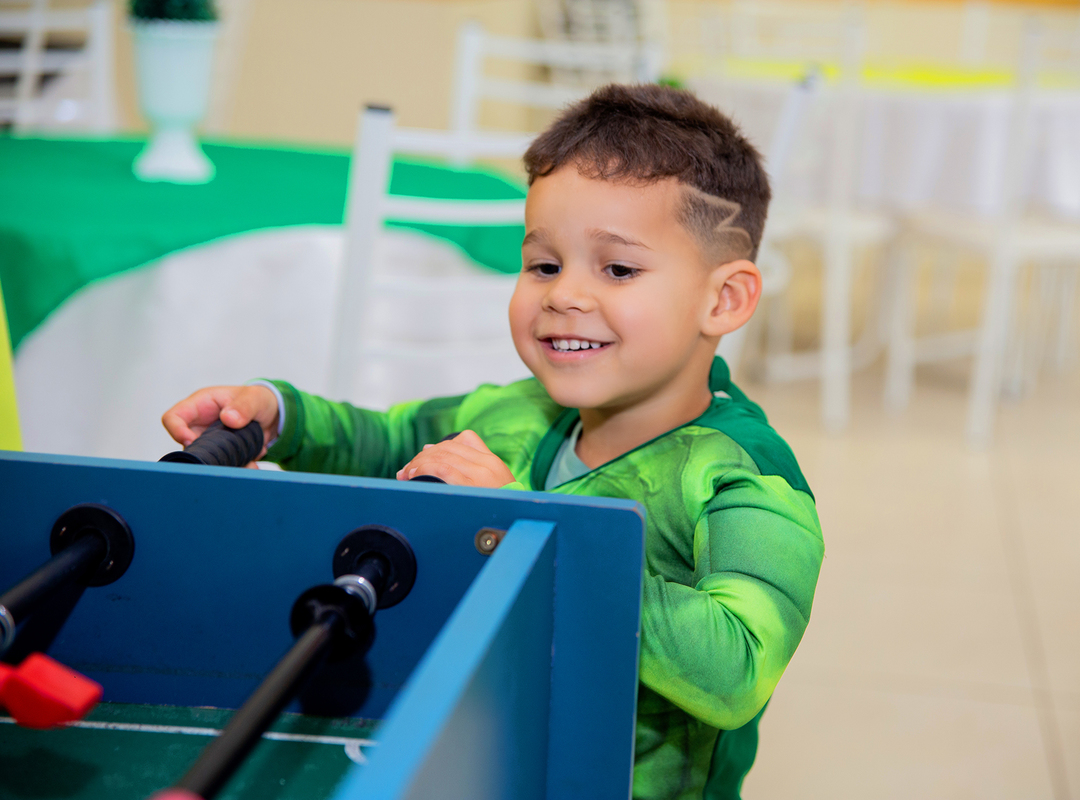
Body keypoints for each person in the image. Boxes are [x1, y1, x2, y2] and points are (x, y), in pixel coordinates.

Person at [162, 84, 823, 800]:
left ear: (723, 299)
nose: (564, 295)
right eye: (544, 264)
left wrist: (527, 525)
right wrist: (280, 412)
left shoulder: (746, 480)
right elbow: (387, 440)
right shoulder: (520, 410)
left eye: (618, 268)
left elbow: (736, 668)